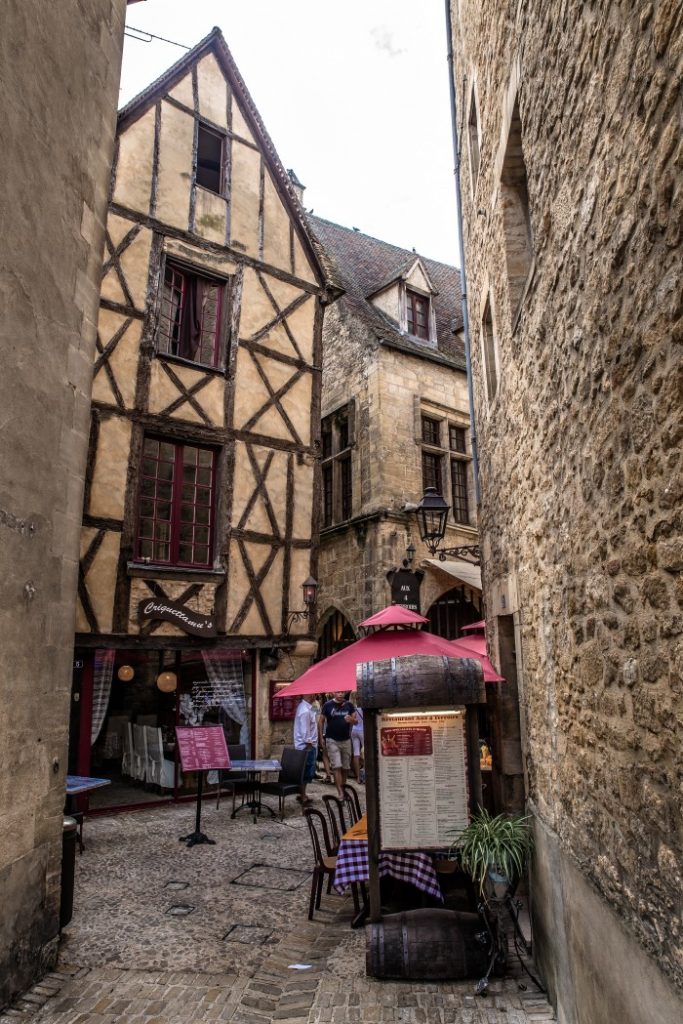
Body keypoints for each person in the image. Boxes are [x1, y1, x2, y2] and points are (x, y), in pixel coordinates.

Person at [320, 691, 357, 799]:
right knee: (337, 766)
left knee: (345, 767)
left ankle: (343, 787)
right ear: (333, 693)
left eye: (342, 692)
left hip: (345, 740)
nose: (340, 694)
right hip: (332, 740)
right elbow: (321, 721)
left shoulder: (349, 705)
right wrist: (321, 737)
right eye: (338, 692)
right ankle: (340, 792)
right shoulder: (327, 705)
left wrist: (352, 720)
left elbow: (356, 722)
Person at [293, 693, 318, 804]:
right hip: (306, 746)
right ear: (309, 695)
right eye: (314, 694)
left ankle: (303, 794)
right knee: (306, 772)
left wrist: (316, 706)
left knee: (307, 771)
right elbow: (305, 731)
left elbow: (315, 718)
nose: (316, 695)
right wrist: (309, 743)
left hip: (308, 745)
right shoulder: (305, 711)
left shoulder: (308, 707)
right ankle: (303, 796)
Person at [351, 705, 364, 783]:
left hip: (354, 730)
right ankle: (365, 775)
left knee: (356, 754)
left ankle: (358, 777)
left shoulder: (353, 707)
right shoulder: (363, 707)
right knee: (365, 753)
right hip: (363, 730)